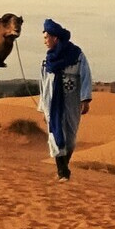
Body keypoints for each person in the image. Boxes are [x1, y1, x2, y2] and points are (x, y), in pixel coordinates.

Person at [36, 19, 93, 180]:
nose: (45, 41)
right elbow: (43, 85)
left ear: (55, 38)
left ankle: (63, 169)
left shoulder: (77, 56)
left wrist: (85, 99)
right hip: (52, 104)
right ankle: (62, 172)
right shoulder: (48, 61)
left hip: (71, 102)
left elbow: (86, 76)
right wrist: (43, 107)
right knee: (55, 136)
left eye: (47, 38)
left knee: (70, 139)